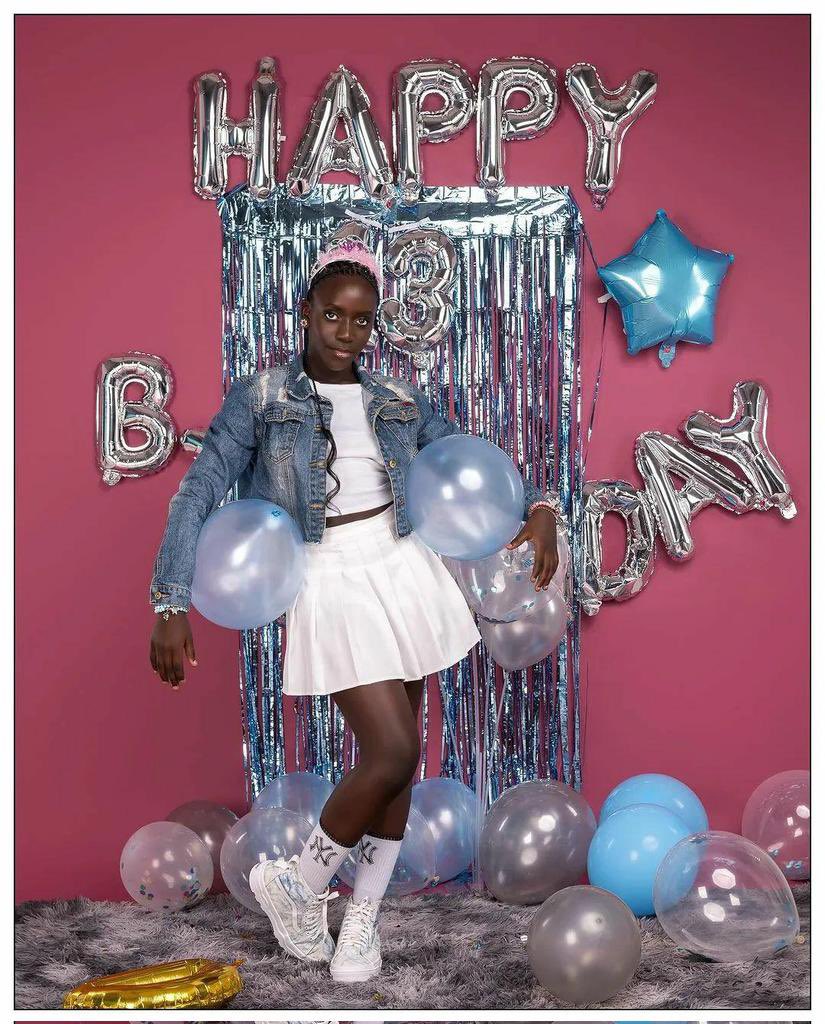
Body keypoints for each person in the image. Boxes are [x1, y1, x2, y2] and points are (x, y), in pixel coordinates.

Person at [148, 236, 561, 984]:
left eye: (362, 319)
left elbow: (463, 455)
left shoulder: (395, 398)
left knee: (401, 762)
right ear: (306, 311)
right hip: (327, 571)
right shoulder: (262, 398)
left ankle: (360, 919)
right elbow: (199, 488)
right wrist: (170, 600)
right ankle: (300, 883)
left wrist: (537, 506)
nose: (347, 332)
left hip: (402, 564)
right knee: (391, 749)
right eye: (333, 314)